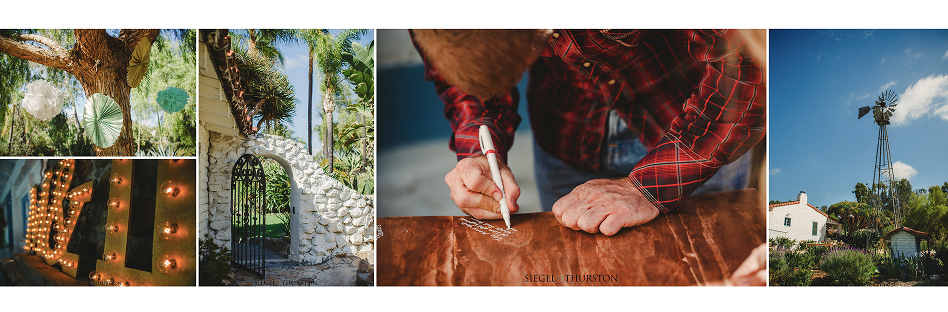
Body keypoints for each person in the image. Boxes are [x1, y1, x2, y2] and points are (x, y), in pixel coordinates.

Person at [412, 29, 765, 235]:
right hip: (566, 130)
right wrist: (478, 142)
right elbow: (461, 73)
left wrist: (648, 188)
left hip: (699, 125)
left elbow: (750, 71)